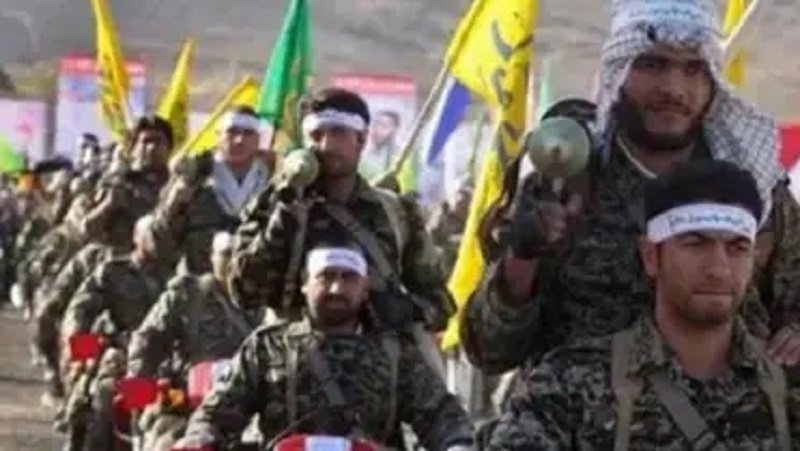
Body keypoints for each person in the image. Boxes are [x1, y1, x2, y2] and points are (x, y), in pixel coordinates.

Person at [462, 0, 800, 375]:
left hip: (723, 408)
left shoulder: (754, 185)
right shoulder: (563, 175)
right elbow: (489, 351)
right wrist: (522, 258)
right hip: (573, 407)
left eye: (693, 69)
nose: (673, 89)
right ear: (618, 69)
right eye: (652, 65)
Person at [483, 160, 799, 450]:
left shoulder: (789, 387)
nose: (718, 269)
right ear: (650, 256)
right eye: (695, 244)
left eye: (737, 248)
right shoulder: (569, 384)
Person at [173, 239, 473, 451]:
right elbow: (216, 413)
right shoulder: (266, 347)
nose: (336, 288)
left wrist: (456, 445)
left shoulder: (395, 353)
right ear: (305, 282)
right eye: (326, 276)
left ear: (364, 287)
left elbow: (441, 415)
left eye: (348, 278)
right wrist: (200, 438)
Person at [230, 88, 454, 360]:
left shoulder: (397, 213)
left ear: (361, 138)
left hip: (375, 369)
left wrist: (396, 310)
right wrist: (284, 213)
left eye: (337, 133)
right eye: (316, 136)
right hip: (291, 367)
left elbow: (439, 306)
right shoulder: (273, 205)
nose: (325, 145)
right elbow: (243, 295)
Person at [127, 231, 264, 451]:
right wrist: (138, 382)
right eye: (226, 254)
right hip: (186, 402)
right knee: (163, 440)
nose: (233, 262)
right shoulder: (188, 294)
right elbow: (149, 338)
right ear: (212, 257)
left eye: (241, 255)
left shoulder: (270, 301)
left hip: (251, 407)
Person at [61, 215, 172, 451]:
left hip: (161, 360)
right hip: (120, 354)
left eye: (161, 234)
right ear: (136, 237)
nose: (157, 240)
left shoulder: (174, 279)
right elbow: (80, 309)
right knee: (95, 400)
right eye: (151, 234)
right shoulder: (112, 272)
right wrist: (81, 353)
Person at [150, 105, 270, 274]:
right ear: (218, 135)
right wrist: (174, 206)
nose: (239, 140)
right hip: (199, 281)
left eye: (248, 133)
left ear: (258, 139)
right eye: (232, 132)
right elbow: (158, 244)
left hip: (255, 281)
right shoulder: (194, 175)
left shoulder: (273, 178)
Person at [359, 110, 401, 181]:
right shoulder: (362, 150)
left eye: (384, 126)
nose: (377, 129)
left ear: (394, 130)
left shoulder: (398, 156)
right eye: (376, 124)